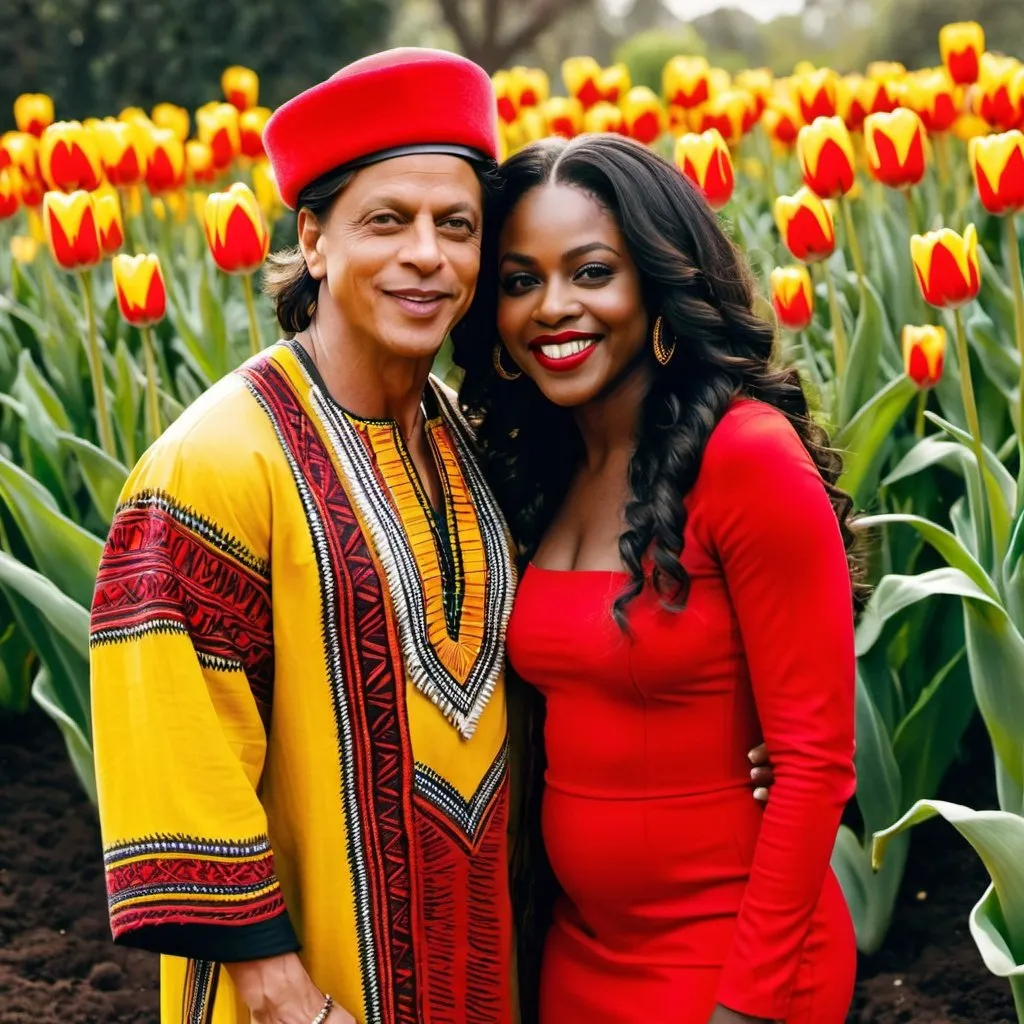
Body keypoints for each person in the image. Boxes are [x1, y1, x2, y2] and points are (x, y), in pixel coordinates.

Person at [90, 48, 518, 1024]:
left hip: (481, 967)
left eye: (456, 225)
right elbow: (175, 744)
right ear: (314, 239)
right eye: (387, 220)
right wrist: (280, 992)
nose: (427, 254)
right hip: (301, 996)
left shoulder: (469, 439)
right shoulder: (213, 462)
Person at [451, 133, 860, 1024]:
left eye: (591, 272)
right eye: (520, 281)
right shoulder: (539, 464)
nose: (553, 307)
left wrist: (747, 1005)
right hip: (577, 954)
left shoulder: (747, 458)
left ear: (661, 284)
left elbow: (815, 763)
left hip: (729, 962)